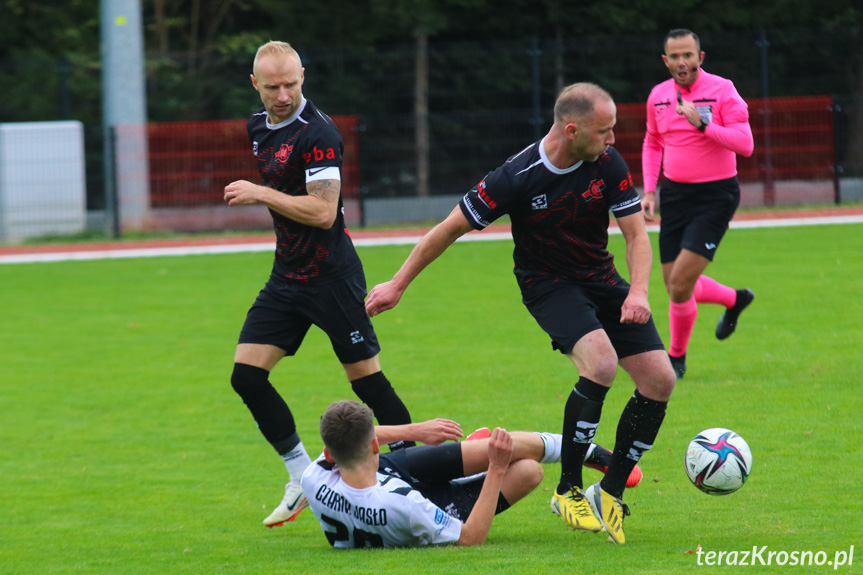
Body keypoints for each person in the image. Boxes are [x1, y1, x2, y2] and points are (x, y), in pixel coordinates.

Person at [365, 83, 677, 544]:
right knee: (603, 363)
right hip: (548, 285)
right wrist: (397, 283)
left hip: (603, 281)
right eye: (604, 131)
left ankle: (608, 492)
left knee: (660, 380)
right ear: (572, 130)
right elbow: (449, 229)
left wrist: (641, 293)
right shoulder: (515, 176)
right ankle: (568, 487)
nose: (613, 140)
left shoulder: (607, 163)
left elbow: (634, 236)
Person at [223, 41, 415, 528]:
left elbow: (323, 211)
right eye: (273, 87)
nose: (283, 94)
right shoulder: (257, 128)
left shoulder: (319, 134)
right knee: (246, 376)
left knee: (368, 384)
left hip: (331, 277)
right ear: (255, 85)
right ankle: (300, 476)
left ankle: (417, 474)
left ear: (303, 76)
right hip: (287, 276)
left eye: (291, 83)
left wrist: (261, 192)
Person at [303, 400, 634, 548]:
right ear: (376, 446)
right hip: (417, 500)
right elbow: (470, 537)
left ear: (330, 454)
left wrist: (417, 429)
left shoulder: (314, 479)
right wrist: (497, 467)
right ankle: (467, 472)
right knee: (528, 471)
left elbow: (352, 434)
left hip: (389, 475)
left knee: (489, 448)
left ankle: (587, 452)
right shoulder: (406, 507)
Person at [641, 29, 756, 379]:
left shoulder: (723, 90)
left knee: (678, 285)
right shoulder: (658, 96)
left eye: (688, 55)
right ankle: (734, 299)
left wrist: (704, 124)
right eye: (674, 57)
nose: (681, 63)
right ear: (665, 61)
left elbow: (745, 144)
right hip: (675, 196)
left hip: (716, 195)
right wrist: (649, 191)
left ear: (700, 58)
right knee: (675, 284)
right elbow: (653, 142)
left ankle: (676, 357)